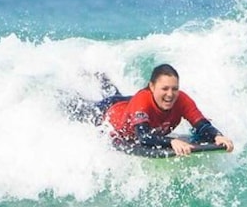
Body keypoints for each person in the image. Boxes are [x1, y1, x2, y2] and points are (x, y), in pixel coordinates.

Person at [66, 64, 234, 156]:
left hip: (128, 105)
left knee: (119, 95)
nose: (170, 94)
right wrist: (172, 141)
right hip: (109, 112)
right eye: (165, 88)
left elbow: (202, 124)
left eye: (174, 88)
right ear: (152, 87)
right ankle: (61, 93)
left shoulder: (181, 99)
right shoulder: (142, 100)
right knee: (77, 107)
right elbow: (143, 136)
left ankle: (102, 77)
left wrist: (218, 135)